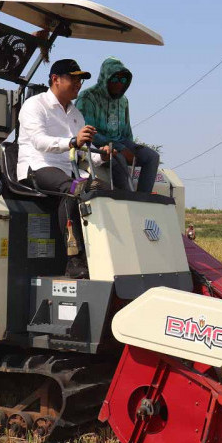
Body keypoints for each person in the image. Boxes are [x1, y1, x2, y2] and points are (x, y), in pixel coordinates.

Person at [17, 58, 119, 279]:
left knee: (104, 192)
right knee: (74, 189)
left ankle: (105, 257)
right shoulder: (34, 105)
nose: (78, 84)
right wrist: (73, 141)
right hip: (39, 166)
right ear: (55, 79)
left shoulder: (76, 114)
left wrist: (102, 155)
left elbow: (82, 153)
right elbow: (39, 142)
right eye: (73, 79)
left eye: (80, 80)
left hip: (68, 170)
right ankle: (74, 260)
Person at [76, 57, 160, 193]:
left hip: (120, 143)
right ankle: (127, 196)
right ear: (105, 79)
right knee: (118, 157)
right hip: (97, 146)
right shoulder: (87, 97)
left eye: (123, 80)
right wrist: (120, 149)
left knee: (152, 157)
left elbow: (126, 132)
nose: (119, 84)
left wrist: (131, 149)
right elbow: (88, 132)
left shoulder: (123, 101)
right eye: (115, 79)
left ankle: (143, 197)